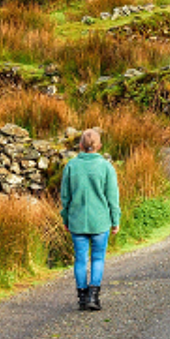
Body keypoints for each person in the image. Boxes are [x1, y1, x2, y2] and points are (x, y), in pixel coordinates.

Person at [58, 127, 121, 311]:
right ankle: (93, 297)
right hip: (100, 221)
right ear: (99, 146)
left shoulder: (71, 166)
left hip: (77, 220)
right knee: (98, 258)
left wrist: (66, 218)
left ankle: (82, 298)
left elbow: (65, 197)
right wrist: (115, 220)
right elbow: (112, 197)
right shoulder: (106, 167)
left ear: (80, 145)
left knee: (80, 259)